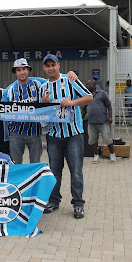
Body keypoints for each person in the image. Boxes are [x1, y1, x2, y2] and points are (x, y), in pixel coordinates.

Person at [40, 54, 93, 219]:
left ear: (58, 65)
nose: (50, 68)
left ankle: (78, 204)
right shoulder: (44, 86)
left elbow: (89, 97)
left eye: (53, 65)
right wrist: (44, 102)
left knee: (76, 171)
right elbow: (42, 112)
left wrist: (72, 103)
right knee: (55, 171)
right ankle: (54, 201)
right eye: (47, 66)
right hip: (53, 135)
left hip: (73, 134)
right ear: (44, 68)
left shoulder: (70, 80)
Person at [2, 58, 46, 165]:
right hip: (16, 133)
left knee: (35, 164)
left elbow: (55, 81)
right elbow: (1, 109)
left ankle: (34, 182)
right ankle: (17, 182)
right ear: (15, 72)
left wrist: (68, 75)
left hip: (35, 132)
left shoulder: (38, 83)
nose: (22, 72)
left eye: (24, 69)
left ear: (28, 70)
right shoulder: (9, 90)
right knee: (15, 165)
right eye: (19, 70)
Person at [82, 79, 115, 164]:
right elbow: (84, 109)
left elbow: (109, 105)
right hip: (91, 122)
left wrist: (110, 117)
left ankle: (112, 154)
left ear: (94, 85)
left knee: (107, 139)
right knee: (92, 141)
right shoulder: (86, 95)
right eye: (86, 84)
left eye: (89, 84)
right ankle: (96, 156)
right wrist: (80, 120)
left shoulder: (102, 93)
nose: (87, 86)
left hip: (103, 121)